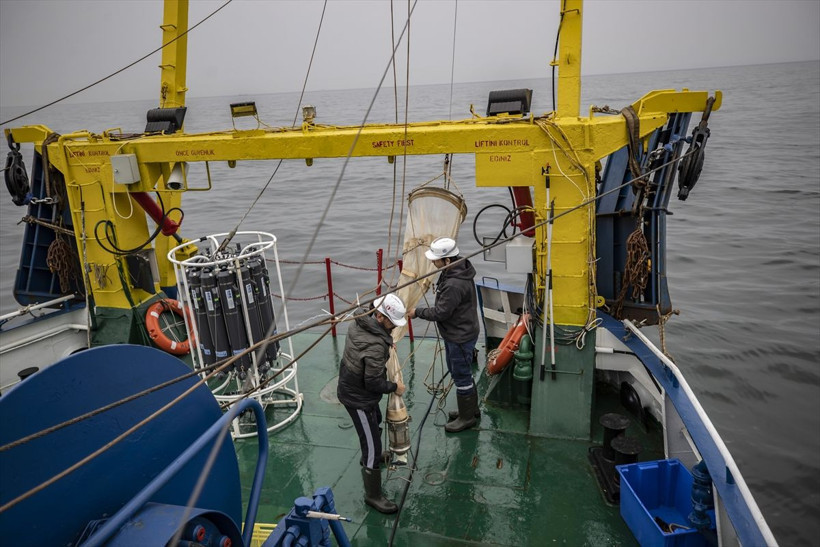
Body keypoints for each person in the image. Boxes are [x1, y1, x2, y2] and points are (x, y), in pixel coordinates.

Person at [337, 293, 407, 514]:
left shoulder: (360, 321)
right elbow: (373, 382)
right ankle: (373, 495)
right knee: (372, 444)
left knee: (375, 420)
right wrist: (395, 387)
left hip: (351, 385)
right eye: (392, 323)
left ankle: (372, 455)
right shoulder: (376, 345)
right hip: (358, 398)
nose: (394, 327)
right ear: (380, 317)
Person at [409, 236, 481, 433]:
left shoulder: (453, 284)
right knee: (462, 370)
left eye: (436, 260)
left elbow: (441, 312)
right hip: (464, 330)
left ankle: (467, 418)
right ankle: (471, 410)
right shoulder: (460, 269)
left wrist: (417, 312)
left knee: (460, 373)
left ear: (447, 260)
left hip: (459, 336)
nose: (433, 262)